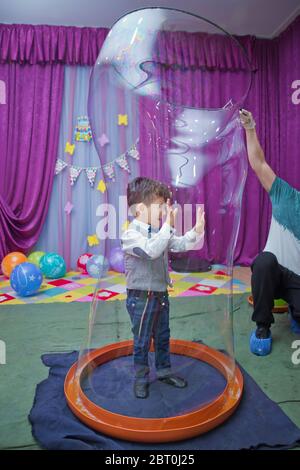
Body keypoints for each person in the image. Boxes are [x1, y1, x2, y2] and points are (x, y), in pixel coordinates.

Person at [121, 177, 205, 398]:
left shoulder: (160, 232)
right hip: (140, 297)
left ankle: (164, 371)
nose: (163, 211)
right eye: (159, 206)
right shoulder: (130, 235)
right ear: (140, 209)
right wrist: (168, 225)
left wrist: (196, 231)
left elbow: (178, 244)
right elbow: (151, 251)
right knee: (141, 339)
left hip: (160, 295)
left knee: (162, 335)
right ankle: (141, 376)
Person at [240, 109, 300, 356]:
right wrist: (250, 128)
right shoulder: (286, 195)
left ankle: (296, 312)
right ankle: (262, 326)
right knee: (264, 261)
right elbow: (259, 163)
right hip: (273, 276)